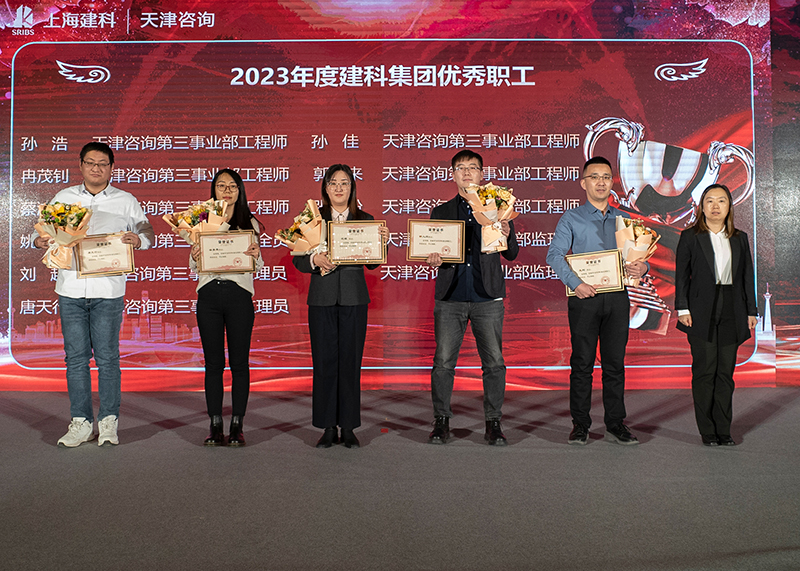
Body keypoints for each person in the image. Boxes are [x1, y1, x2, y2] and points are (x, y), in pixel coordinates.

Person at [33, 142, 154, 447]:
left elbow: (148, 233)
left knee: (108, 358)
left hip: (108, 290)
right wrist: (41, 240)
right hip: (71, 288)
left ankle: (109, 421)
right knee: (75, 359)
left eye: (102, 163)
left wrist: (138, 240)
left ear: (112, 168)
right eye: (90, 163)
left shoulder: (125, 200)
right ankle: (81, 422)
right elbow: (40, 233)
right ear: (81, 165)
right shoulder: (64, 198)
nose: (96, 168)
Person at [546, 156, 647, 446]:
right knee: (582, 364)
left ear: (612, 182)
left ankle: (615, 423)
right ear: (584, 183)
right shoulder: (571, 218)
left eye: (606, 177)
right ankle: (580, 424)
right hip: (584, 298)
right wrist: (575, 283)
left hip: (617, 299)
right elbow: (554, 255)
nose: (601, 182)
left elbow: (639, 256)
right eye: (594, 177)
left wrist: (643, 268)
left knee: (615, 364)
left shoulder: (624, 220)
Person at [425, 150, 519, 446]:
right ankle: (441, 421)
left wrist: (506, 231)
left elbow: (512, 254)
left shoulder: (498, 208)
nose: (467, 173)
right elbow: (431, 248)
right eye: (461, 168)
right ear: (453, 174)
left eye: (473, 168)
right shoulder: (441, 212)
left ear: (481, 174)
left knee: (494, 363)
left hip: (487, 297)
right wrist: (432, 257)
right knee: (443, 362)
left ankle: (493, 422)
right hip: (450, 297)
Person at [292, 164, 387, 449]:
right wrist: (314, 260)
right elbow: (297, 258)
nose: (338, 188)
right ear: (325, 188)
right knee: (324, 363)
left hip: (354, 299)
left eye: (344, 183)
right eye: (333, 183)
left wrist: (382, 243)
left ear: (352, 188)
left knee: (350, 363)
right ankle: (327, 427)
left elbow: (373, 263)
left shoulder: (365, 219)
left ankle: (348, 426)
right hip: (321, 299)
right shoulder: (312, 219)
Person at [675, 184, 758, 446]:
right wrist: (683, 308)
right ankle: (707, 431)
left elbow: (747, 276)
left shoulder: (740, 237)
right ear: (701, 206)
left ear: (729, 206)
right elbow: (681, 276)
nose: (715, 206)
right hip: (700, 310)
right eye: (709, 200)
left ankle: (724, 429)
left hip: (733, 307)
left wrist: (751, 310)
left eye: (721, 201)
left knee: (725, 373)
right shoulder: (690, 236)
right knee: (704, 371)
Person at [190, 169, 263, 446]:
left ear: (240, 190)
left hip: (239, 295)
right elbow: (194, 266)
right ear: (214, 191)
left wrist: (256, 256)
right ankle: (215, 424)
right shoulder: (202, 221)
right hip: (209, 295)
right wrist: (195, 255)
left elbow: (258, 265)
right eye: (221, 186)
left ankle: (237, 425)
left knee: (239, 363)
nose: (227, 190)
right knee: (213, 364)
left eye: (232, 186)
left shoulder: (249, 222)